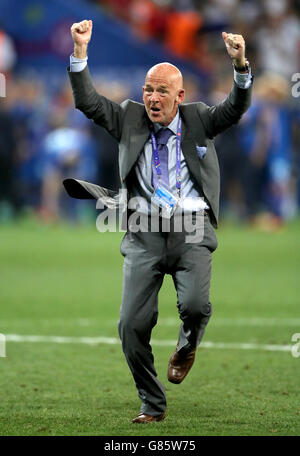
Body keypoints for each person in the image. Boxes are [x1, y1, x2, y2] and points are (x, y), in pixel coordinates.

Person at [64, 19, 252, 423]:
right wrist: (80, 52)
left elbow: (235, 108)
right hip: (144, 230)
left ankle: (188, 345)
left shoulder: (200, 118)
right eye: (147, 89)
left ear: (179, 96)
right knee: (131, 326)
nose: (152, 97)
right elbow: (89, 103)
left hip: (192, 228)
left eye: (161, 91)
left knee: (197, 306)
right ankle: (152, 402)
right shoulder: (129, 118)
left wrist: (239, 67)